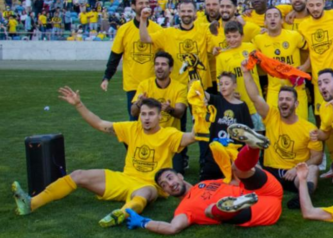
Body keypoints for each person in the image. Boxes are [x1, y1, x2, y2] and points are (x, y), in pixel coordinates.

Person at [12, 87, 197, 227]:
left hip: (150, 185)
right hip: (125, 179)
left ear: (159, 117)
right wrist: (78, 105)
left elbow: (192, 136)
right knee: (78, 175)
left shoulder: (169, 134)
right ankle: (31, 203)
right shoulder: (132, 128)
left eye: (151, 114)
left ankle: (121, 214)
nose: (146, 118)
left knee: (144, 193)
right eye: (143, 114)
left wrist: (199, 111)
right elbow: (100, 124)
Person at [127, 125, 284, 234]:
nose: (170, 184)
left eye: (170, 178)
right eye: (164, 185)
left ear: (180, 176)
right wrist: (143, 222)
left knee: (237, 170)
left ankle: (253, 146)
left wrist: (231, 155)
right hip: (257, 210)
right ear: (165, 191)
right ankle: (231, 206)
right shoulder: (183, 209)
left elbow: (235, 180)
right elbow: (172, 228)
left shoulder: (205, 183)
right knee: (210, 210)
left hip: (265, 190)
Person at [241, 59, 323, 209]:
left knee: (313, 170)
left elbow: (317, 157)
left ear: (296, 104)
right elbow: (255, 97)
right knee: (251, 164)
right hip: (270, 171)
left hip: (294, 173)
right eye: (281, 99)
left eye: (288, 99)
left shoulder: (308, 128)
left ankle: (304, 195)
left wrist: (298, 168)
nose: (284, 102)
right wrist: (246, 73)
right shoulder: (271, 116)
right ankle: (243, 195)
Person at [101, 0, 162, 118]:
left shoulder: (157, 29)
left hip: (153, 83)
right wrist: (107, 77)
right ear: (133, 6)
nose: (144, 6)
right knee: (135, 120)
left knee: (154, 120)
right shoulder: (124, 30)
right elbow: (115, 56)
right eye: (140, 3)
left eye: (146, 3)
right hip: (133, 84)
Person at [131, 51, 188, 172]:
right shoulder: (144, 85)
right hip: (147, 137)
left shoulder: (180, 87)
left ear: (171, 68)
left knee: (176, 173)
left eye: (163, 64)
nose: (159, 67)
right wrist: (139, 102)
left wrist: (168, 109)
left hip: (169, 139)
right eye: (157, 64)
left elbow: (180, 113)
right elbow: (133, 112)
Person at [252, 7, 309, 120]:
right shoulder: (259, 40)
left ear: (282, 20)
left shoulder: (294, 36)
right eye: (269, 16)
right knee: (274, 124)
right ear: (265, 22)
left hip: (296, 88)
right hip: (274, 90)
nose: (272, 19)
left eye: (276, 16)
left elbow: (312, 49)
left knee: (300, 124)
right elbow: (250, 55)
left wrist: (305, 66)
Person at [199, 72, 253, 181]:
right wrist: (196, 83)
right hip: (215, 154)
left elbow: (248, 132)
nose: (223, 86)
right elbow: (201, 93)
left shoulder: (242, 106)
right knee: (205, 184)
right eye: (221, 84)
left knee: (234, 185)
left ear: (234, 86)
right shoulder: (216, 101)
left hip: (233, 156)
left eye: (226, 84)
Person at [214, 21, 264, 128]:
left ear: (242, 36)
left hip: (254, 102)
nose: (232, 40)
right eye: (228, 37)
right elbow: (219, 81)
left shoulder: (251, 47)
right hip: (235, 102)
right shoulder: (221, 56)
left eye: (235, 36)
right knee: (238, 135)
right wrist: (226, 94)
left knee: (257, 135)